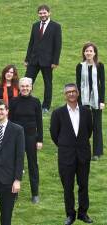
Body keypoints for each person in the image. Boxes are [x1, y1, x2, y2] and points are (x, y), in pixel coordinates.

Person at [50, 83, 93, 225]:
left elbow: (89, 131)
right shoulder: (58, 113)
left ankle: (83, 213)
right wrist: (65, 146)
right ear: (65, 95)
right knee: (68, 187)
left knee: (83, 185)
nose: (71, 94)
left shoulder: (86, 112)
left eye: (74, 91)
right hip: (66, 156)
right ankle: (70, 215)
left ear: (78, 93)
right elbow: (54, 134)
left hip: (83, 155)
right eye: (68, 92)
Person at [9, 77, 43, 203]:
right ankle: (14, 192)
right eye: (22, 86)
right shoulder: (13, 101)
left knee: (33, 165)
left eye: (27, 86)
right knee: (16, 164)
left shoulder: (36, 102)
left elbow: (39, 122)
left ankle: (35, 193)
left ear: (31, 87)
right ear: (19, 87)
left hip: (31, 138)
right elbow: (10, 121)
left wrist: (40, 140)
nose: (25, 88)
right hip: (16, 138)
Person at [24, 4, 62, 113]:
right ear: (38, 14)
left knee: (48, 83)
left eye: (44, 13)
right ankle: (25, 102)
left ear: (49, 13)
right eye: (40, 13)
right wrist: (27, 59)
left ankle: (45, 106)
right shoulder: (35, 25)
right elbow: (31, 43)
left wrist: (55, 61)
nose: (42, 15)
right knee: (27, 81)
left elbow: (58, 45)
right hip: (34, 60)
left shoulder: (56, 26)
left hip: (48, 61)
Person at [76, 42, 105, 161]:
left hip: (96, 99)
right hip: (83, 99)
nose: (88, 53)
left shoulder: (100, 66)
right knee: (84, 126)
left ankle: (97, 152)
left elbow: (102, 84)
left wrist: (102, 101)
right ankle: (84, 150)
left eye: (91, 51)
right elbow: (78, 84)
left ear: (94, 53)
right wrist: (77, 101)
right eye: (86, 51)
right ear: (84, 53)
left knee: (97, 126)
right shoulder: (79, 66)